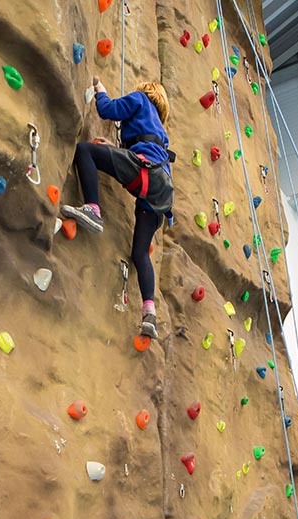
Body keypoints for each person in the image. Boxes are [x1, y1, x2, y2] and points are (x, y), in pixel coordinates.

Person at [61, 78, 175, 340]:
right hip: (162, 192)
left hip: (142, 170)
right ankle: (149, 314)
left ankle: (93, 209)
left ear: (146, 91)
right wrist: (116, 149)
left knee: (85, 151)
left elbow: (108, 110)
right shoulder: (160, 129)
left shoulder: (139, 99)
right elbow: (142, 147)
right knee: (140, 254)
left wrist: (101, 91)